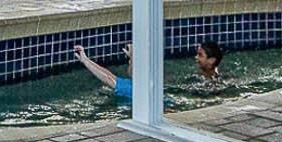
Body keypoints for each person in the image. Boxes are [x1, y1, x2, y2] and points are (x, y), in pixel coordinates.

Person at [73, 41, 225, 101]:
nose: (196, 58)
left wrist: (85, 61)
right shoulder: (146, 84)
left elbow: (107, 77)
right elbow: (109, 75)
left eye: (130, 63)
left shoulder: (136, 89)